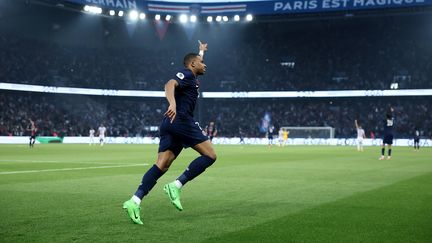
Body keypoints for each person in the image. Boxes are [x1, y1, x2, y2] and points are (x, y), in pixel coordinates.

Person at [122, 40, 217, 225]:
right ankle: (177, 185)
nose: (205, 65)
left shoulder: (192, 75)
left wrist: (201, 52)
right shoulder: (188, 74)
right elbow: (170, 83)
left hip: (169, 124)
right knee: (211, 155)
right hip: (181, 120)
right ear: (192, 64)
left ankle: (134, 200)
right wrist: (172, 103)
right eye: (202, 62)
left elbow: (194, 64)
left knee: (162, 165)